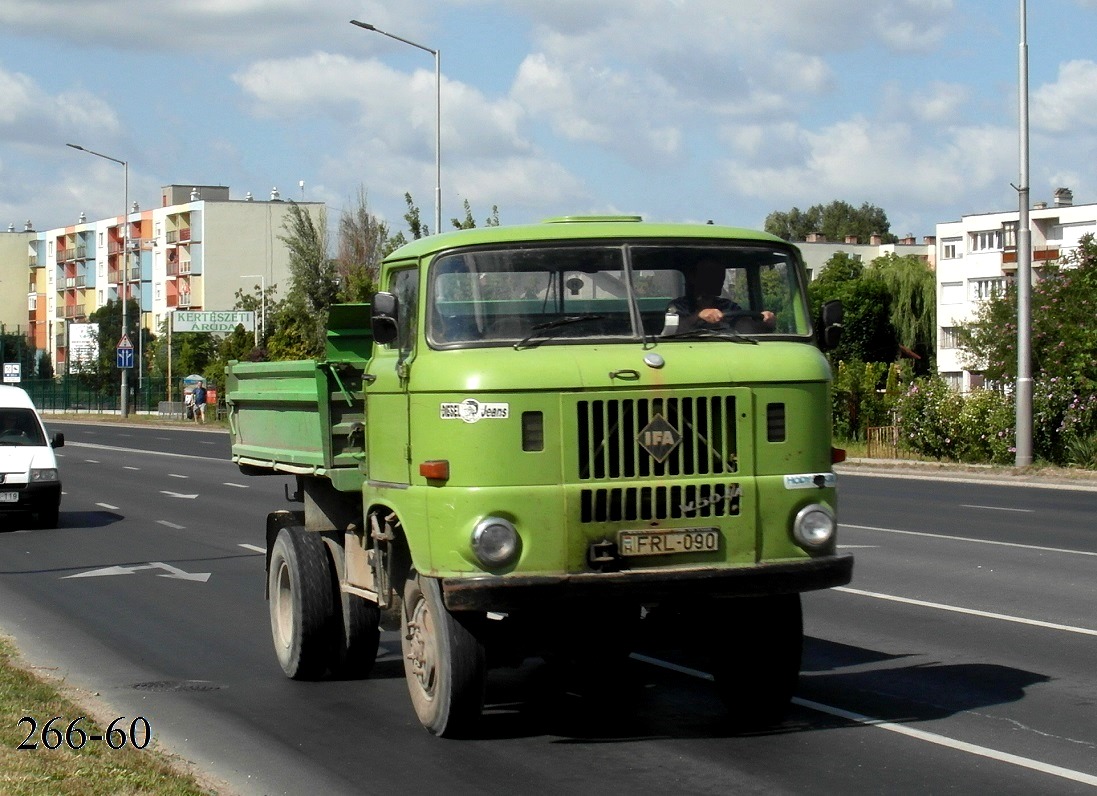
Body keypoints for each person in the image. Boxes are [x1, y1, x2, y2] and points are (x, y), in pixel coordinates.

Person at [665, 259, 775, 334]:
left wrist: (765, 323)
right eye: (712, 275)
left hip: (730, 351)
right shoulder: (678, 306)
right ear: (694, 278)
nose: (720, 281)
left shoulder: (729, 306)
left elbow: (746, 328)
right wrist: (698, 316)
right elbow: (672, 331)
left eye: (721, 276)